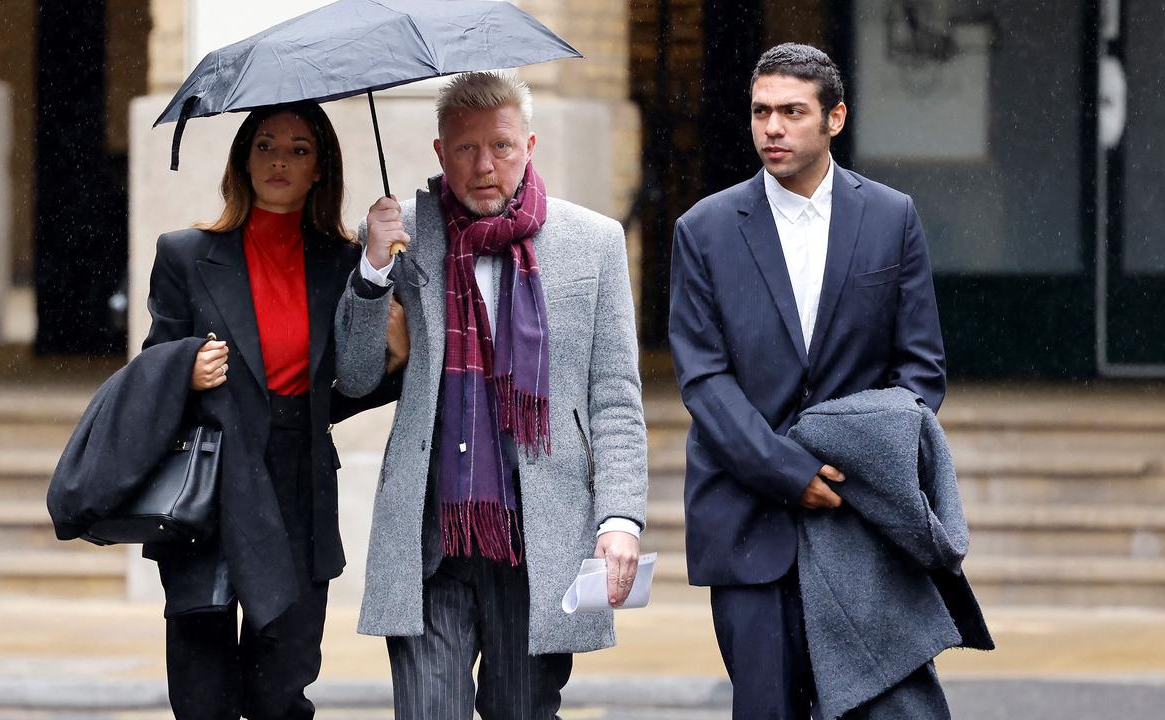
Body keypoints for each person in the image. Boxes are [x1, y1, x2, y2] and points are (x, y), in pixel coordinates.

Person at [334, 71, 648, 719]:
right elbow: (358, 375)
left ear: (529, 145)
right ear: (439, 154)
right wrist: (370, 269)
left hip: (539, 538)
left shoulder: (592, 243)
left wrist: (620, 518)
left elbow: (614, 398)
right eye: (465, 149)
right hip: (430, 538)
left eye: (501, 147)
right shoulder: (406, 234)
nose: (484, 166)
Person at [668, 43, 947, 719]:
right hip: (746, 520)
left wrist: (864, 464)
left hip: (862, 520)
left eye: (793, 112)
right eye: (761, 111)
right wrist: (789, 472)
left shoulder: (891, 217)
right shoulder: (702, 230)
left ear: (835, 118)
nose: (772, 128)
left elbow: (920, 370)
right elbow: (704, 381)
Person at [141, 100, 402, 719]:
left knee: (281, 688)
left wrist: (395, 355)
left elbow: (348, 385)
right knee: (202, 694)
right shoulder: (183, 253)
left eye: (299, 148)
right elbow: (151, 372)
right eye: (265, 145)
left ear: (321, 169)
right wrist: (186, 372)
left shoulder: (343, 263)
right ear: (242, 160)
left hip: (297, 484)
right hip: (209, 487)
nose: (280, 160)